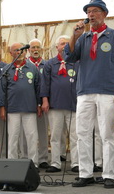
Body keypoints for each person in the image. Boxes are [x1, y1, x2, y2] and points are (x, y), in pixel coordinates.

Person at [64, 0, 114, 189]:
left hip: (108, 91)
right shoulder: (83, 38)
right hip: (85, 91)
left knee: (108, 133)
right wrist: (74, 36)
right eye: (88, 12)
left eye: (95, 11)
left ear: (104, 14)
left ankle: (109, 174)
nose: (91, 15)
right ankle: (85, 174)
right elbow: (68, 57)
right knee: (83, 133)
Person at [0, 42, 40, 171]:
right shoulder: (6, 70)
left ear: (25, 52)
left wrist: (38, 104)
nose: (19, 52)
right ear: (11, 53)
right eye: (15, 50)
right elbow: (1, 90)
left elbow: (38, 87)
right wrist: (2, 107)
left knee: (32, 136)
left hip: (29, 108)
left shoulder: (32, 68)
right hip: (13, 108)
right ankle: (12, 162)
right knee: (13, 136)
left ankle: (34, 163)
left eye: (21, 50)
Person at [40, 35, 79, 173]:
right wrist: (45, 100)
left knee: (75, 136)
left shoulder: (77, 62)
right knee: (55, 136)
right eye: (62, 43)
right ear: (57, 47)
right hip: (55, 105)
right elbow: (45, 84)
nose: (64, 46)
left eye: (67, 43)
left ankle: (76, 163)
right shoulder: (50, 64)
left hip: (73, 105)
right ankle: (55, 162)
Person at [27, 38, 49, 169]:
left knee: (42, 131)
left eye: (38, 47)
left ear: (41, 50)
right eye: (33, 48)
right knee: (28, 133)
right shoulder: (25, 65)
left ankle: (43, 158)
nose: (35, 50)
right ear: (29, 50)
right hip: (29, 104)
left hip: (43, 103)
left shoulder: (46, 65)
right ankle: (27, 157)